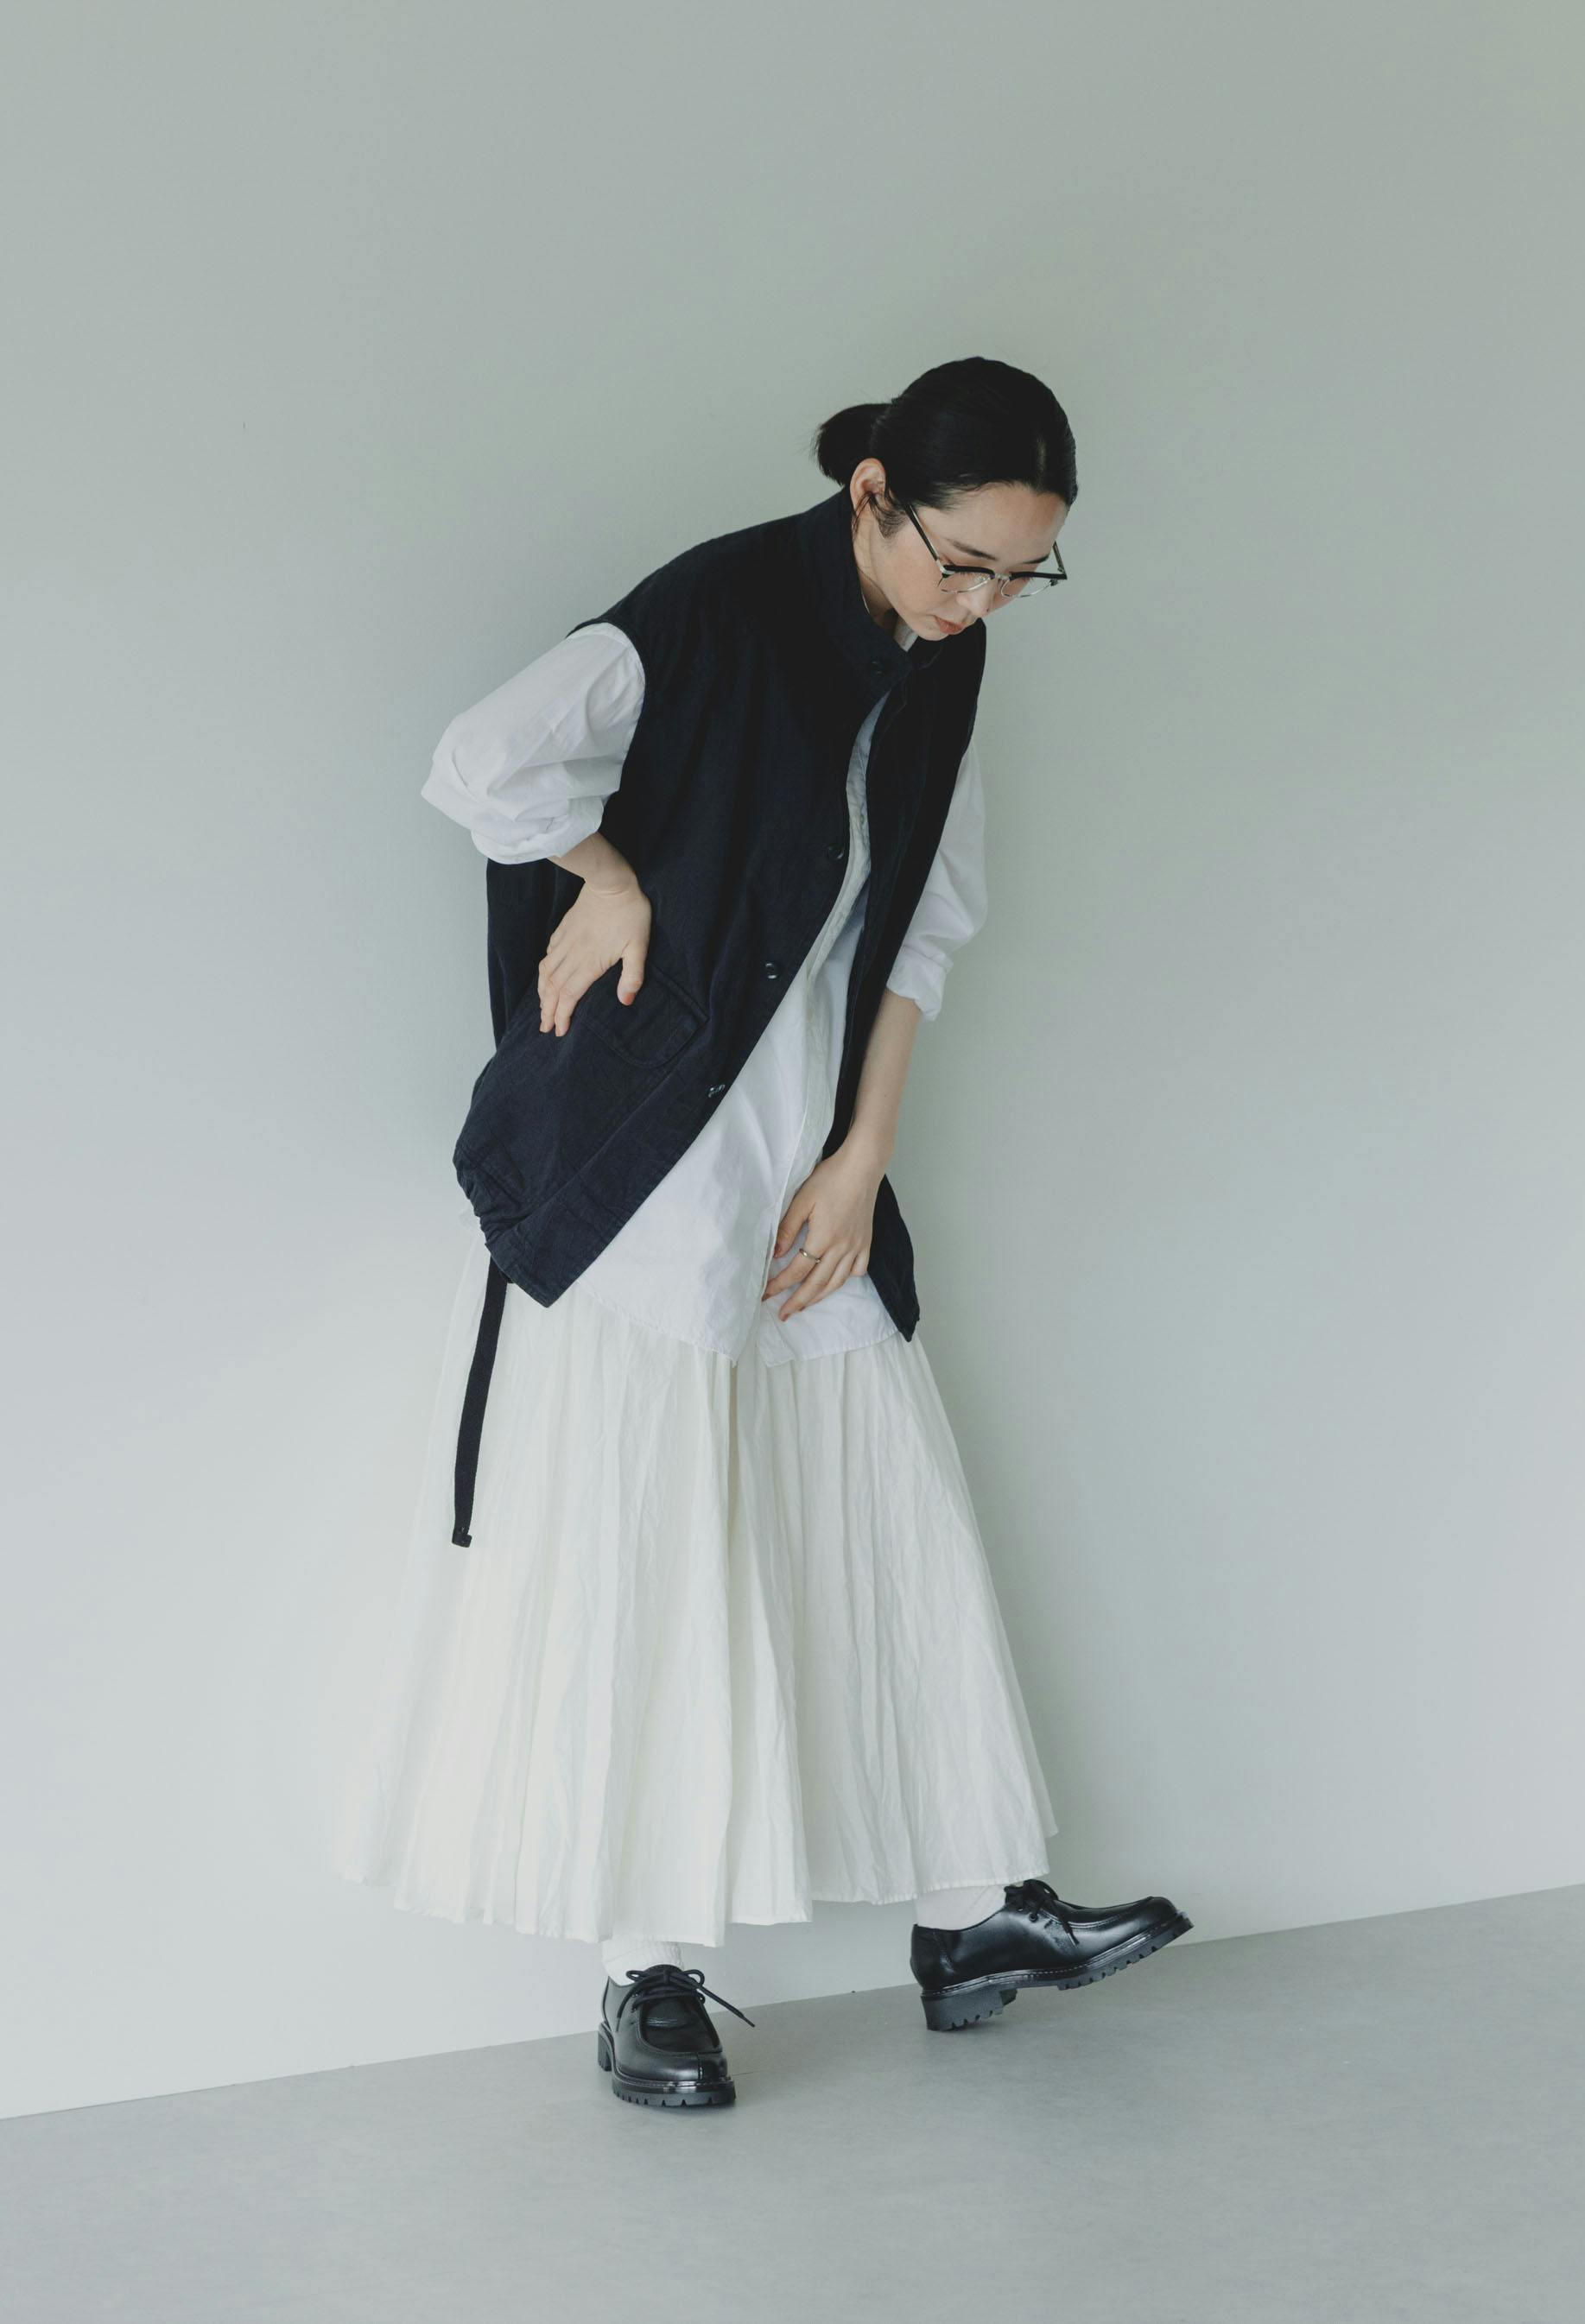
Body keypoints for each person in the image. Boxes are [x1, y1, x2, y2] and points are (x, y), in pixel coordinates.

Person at [338, 356, 1189, 2111]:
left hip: (806, 1152)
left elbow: (922, 923)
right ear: (873, 494)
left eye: (1020, 573)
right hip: (650, 1156)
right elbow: (482, 760)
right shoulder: (714, 609)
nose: (980, 604)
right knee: (652, 1541)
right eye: (962, 560)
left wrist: (865, 1150)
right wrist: (607, 878)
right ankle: (646, 1972)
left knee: (888, 1502)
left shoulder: (944, 661)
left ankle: (972, 1911)